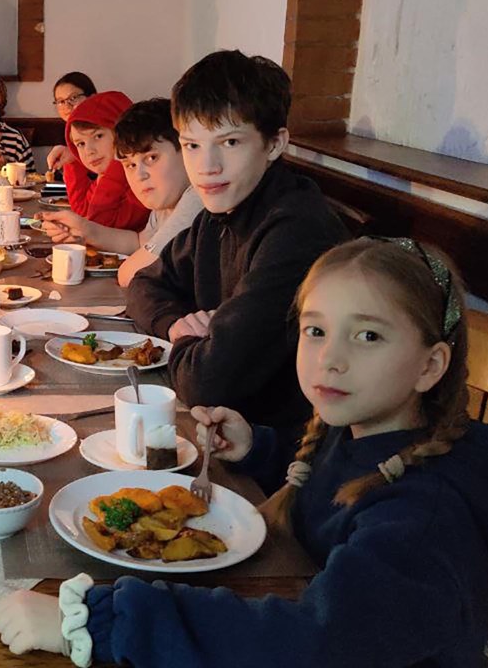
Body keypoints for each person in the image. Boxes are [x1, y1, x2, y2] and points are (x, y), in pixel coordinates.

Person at [0, 238, 488, 667]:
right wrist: (259, 449)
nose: (330, 357)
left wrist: (97, 621)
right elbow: (331, 489)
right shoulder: (363, 436)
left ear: (430, 365)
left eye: (368, 335)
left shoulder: (423, 518)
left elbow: (313, 642)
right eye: (316, 330)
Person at [127, 50, 349, 431]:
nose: (206, 167)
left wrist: (186, 345)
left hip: (283, 450)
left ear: (274, 144)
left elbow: (207, 382)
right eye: (192, 145)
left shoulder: (297, 231)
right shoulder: (219, 214)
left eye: (229, 142)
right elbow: (143, 283)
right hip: (227, 432)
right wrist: (177, 325)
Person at [41, 98, 199, 285]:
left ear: (188, 149)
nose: (139, 175)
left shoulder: (195, 199)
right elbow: (138, 242)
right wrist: (84, 229)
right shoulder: (166, 202)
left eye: (151, 158)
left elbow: (131, 275)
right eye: (130, 165)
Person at [45, 91, 148, 232]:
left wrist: (118, 163)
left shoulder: (141, 180)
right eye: (80, 144)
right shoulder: (104, 175)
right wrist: (73, 162)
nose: (89, 150)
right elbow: (82, 209)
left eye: (98, 136)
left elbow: (99, 224)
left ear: (123, 134)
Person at [46, 71, 97, 182]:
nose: (67, 106)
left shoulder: (104, 129)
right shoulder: (63, 132)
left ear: (92, 98)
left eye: (73, 98)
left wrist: (75, 155)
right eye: (61, 101)